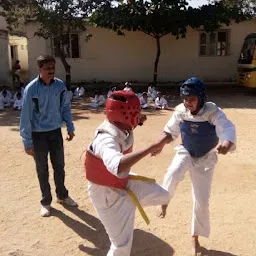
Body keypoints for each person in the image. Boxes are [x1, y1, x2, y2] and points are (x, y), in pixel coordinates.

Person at [154, 77, 236, 255]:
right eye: (185, 99)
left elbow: (227, 128)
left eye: (191, 99)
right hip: (186, 151)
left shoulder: (213, 112)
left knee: (202, 200)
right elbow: (169, 132)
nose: (187, 103)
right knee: (173, 172)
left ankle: (195, 238)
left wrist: (226, 143)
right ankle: (164, 200)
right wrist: (158, 145)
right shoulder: (180, 111)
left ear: (201, 97)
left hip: (206, 157)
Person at [85, 90, 169, 256]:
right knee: (121, 245)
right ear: (125, 115)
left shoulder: (121, 125)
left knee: (164, 196)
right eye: (135, 112)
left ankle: (126, 209)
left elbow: (129, 123)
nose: (139, 115)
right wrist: (151, 147)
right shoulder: (105, 139)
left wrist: (139, 119)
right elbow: (118, 166)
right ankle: (123, 212)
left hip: (120, 182)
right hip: (106, 193)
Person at [20, 54, 77, 217]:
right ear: (39, 69)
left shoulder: (59, 86)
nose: (51, 70)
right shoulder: (31, 89)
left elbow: (65, 107)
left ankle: (63, 196)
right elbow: (25, 116)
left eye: (53, 67)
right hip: (38, 135)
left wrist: (70, 127)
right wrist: (27, 142)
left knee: (59, 166)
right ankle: (46, 202)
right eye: (47, 68)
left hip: (55, 132)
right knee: (42, 169)